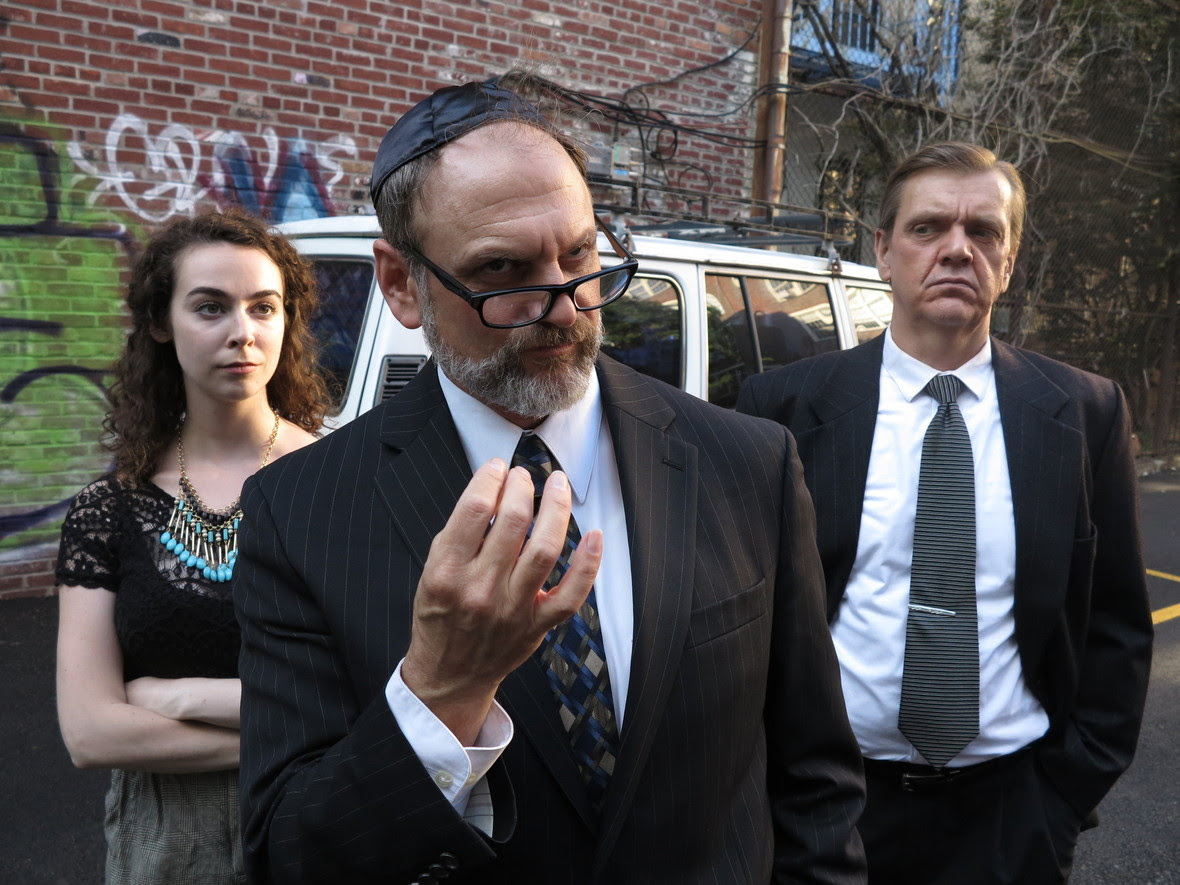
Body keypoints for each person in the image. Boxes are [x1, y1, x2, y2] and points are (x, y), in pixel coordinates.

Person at [234, 78, 867, 884]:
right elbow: (290, 854)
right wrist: (443, 690)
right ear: (399, 283)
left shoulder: (748, 463)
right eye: (503, 270)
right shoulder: (300, 511)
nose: (565, 309)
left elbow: (816, 784)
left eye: (579, 256)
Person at [737, 142, 1153, 884]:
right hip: (830, 809)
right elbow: (745, 619)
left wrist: (1062, 796)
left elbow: (1116, 625)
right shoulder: (785, 408)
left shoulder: (1085, 412)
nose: (957, 249)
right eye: (928, 227)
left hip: (1013, 818)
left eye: (983, 231)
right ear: (883, 251)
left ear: (1009, 261)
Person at [54, 209, 329, 883]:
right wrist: (291, 729)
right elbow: (89, 732)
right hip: (167, 849)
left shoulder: (338, 482)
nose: (243, 332)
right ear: (160, 322)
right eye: (210, 307)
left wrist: (180, 698)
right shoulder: (109, 509)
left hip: (320, 827)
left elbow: (375, 692)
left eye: (263, 307)